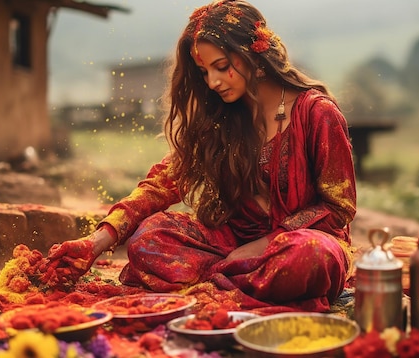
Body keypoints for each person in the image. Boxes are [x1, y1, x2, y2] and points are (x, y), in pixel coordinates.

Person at [42, 0, 356, 310]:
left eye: (221, 67)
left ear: (254, 54)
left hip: (301, 245)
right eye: (204, 72)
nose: (212, 82)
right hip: (231, 245)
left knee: (313, 256)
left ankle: (210, 288)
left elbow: (339, 207)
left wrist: (266, 243)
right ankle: (234, 286)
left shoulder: (317, 112)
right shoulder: (221, 118)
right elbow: (160, 184)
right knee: (147, 240)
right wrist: (96, 242)